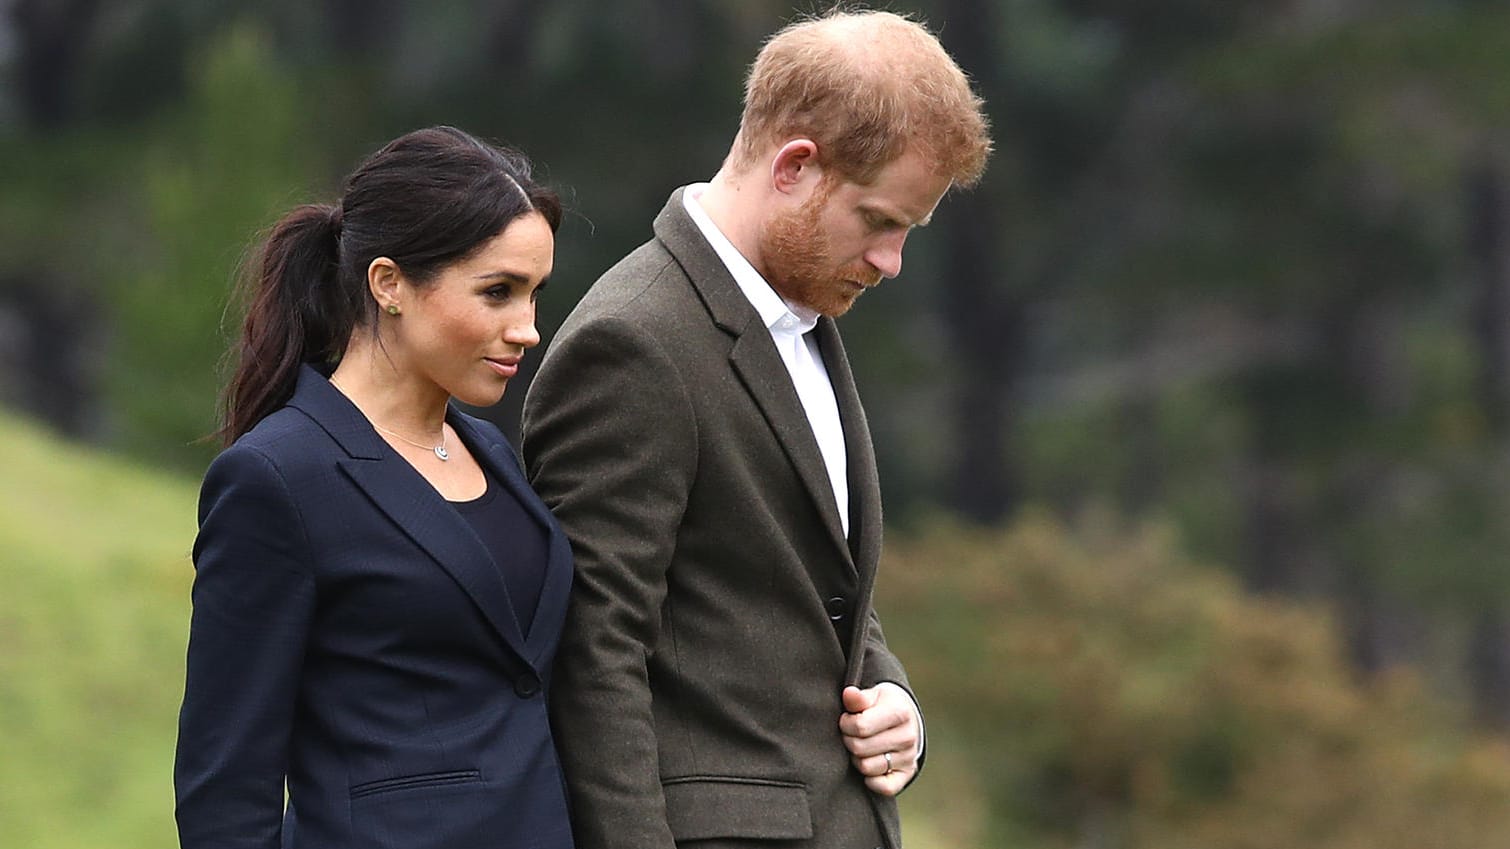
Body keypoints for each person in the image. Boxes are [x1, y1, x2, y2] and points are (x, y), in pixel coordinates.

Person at [521, 9, 991, 849]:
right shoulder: (633, 342)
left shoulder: (800, 314)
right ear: (796, 165)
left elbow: (816, 585)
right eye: (881, 221)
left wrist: (893, 701)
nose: (892, 262)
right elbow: (594, 655)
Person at [174, 126, 574, 849]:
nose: (528, 329)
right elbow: (226, 784)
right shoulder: (276, 477)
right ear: (388, 283)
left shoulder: (490, 452)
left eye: (535, 294)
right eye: (498, 292)